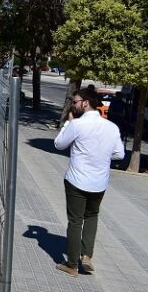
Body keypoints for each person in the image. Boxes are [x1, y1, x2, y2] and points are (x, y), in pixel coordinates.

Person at [53, 87, 125, 276]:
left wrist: (68, 124)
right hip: (99, 182)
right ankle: (86, 255)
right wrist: (102, 154)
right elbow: (119, 154)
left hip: (77, 180)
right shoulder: (111, 127)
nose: (73, 105)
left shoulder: (77, 125)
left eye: (75, 102)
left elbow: (59, 144)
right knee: (92, 216)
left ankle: (71, 264)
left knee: (75, 220)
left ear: (85, 103)